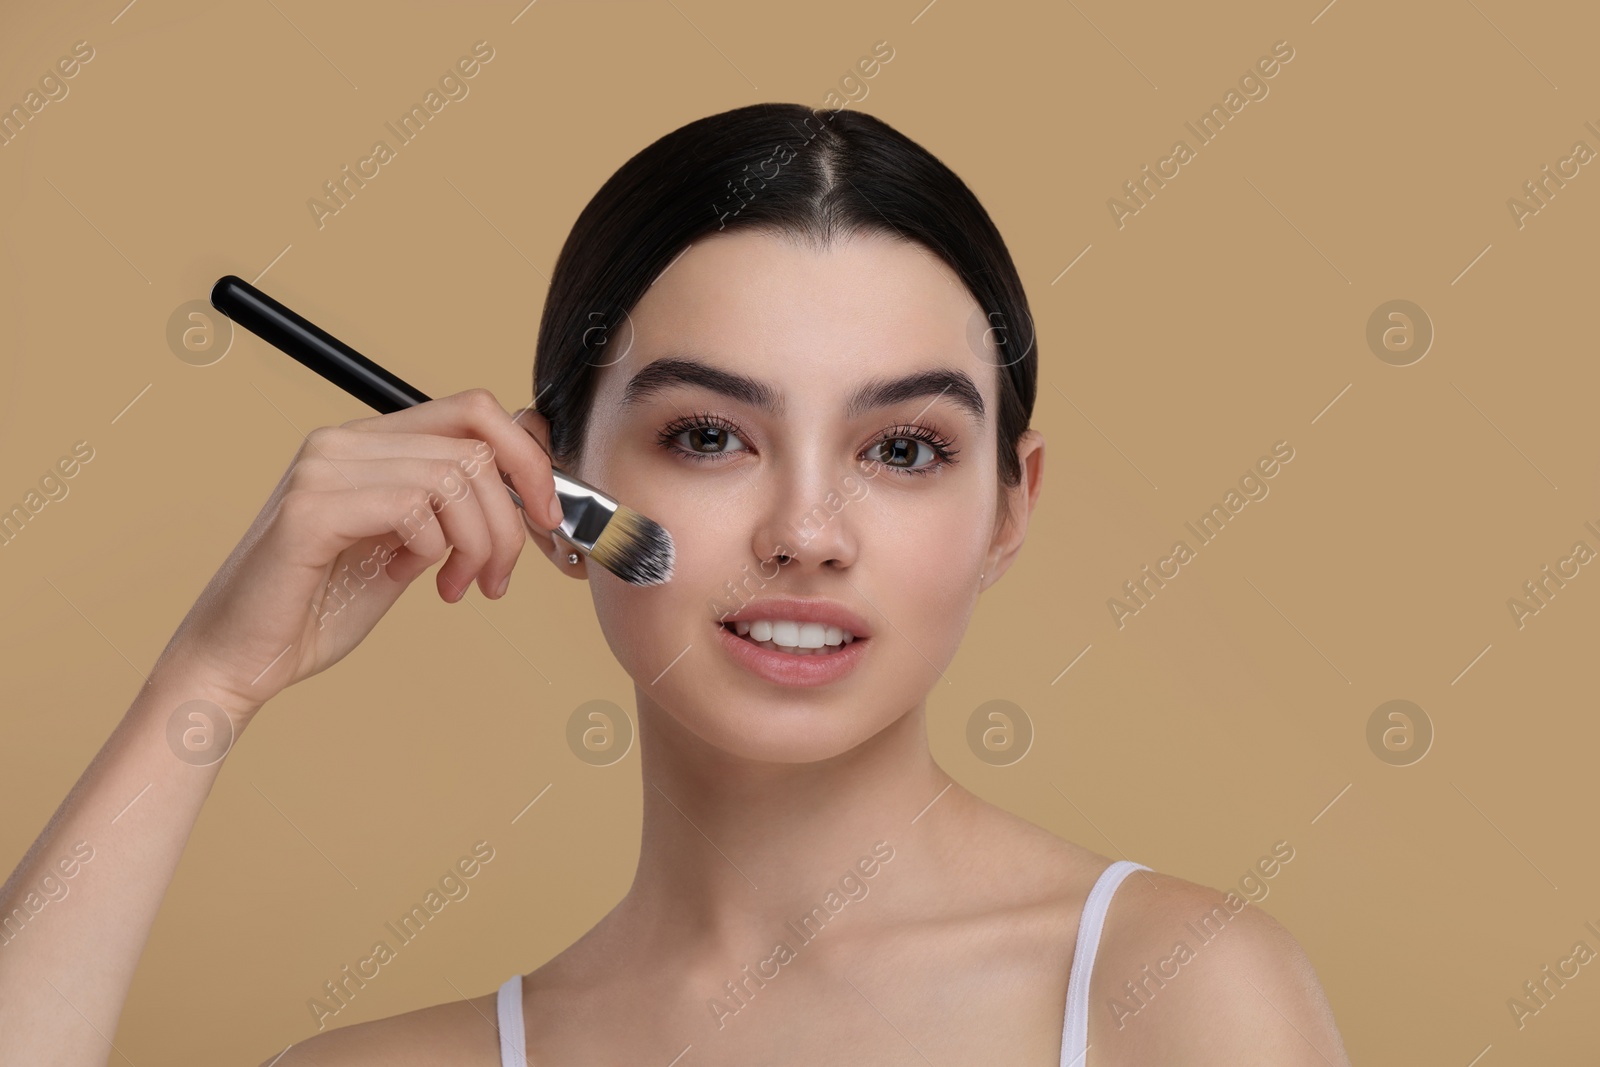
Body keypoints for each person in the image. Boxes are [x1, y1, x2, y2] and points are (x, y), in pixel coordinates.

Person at [0, 102, 1350, 1066]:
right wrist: (208, 688)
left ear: (1011, 507)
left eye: (903, 448)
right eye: (708, 436)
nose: (807, 532)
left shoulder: (1174, 997)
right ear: (553, 488)